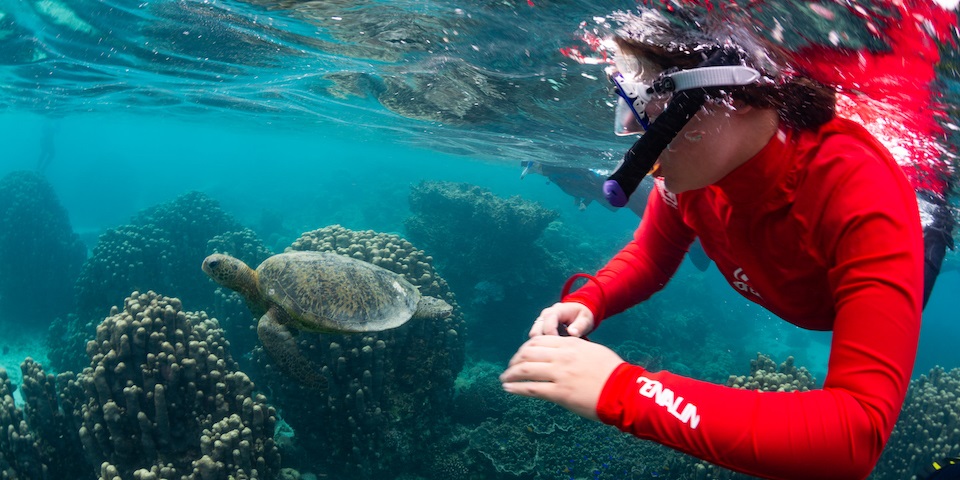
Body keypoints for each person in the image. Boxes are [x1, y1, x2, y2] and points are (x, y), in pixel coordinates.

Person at [499, 5, 954, 479]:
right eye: (624, 99)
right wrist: (592, 299)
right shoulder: (695, 173)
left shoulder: (859, 193)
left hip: (907, 236)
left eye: (642, 103)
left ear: (728, 98)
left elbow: (854, 437)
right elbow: (652, 254)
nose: (631, 130)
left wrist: (623, 391)